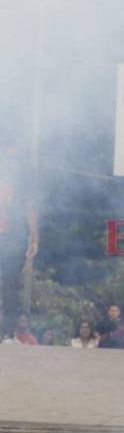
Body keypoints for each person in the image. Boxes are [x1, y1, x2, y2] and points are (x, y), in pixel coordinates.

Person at [0, 137, 39, 339]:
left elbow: (29, 207)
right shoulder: (23, 177)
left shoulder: (20, 178)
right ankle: (6, 334)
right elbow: (30, 207)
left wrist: (33, 238)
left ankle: (7, 334)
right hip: (11, 237)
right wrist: (34, 238)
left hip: (11, 238)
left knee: (10, 287)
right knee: (9, 286)